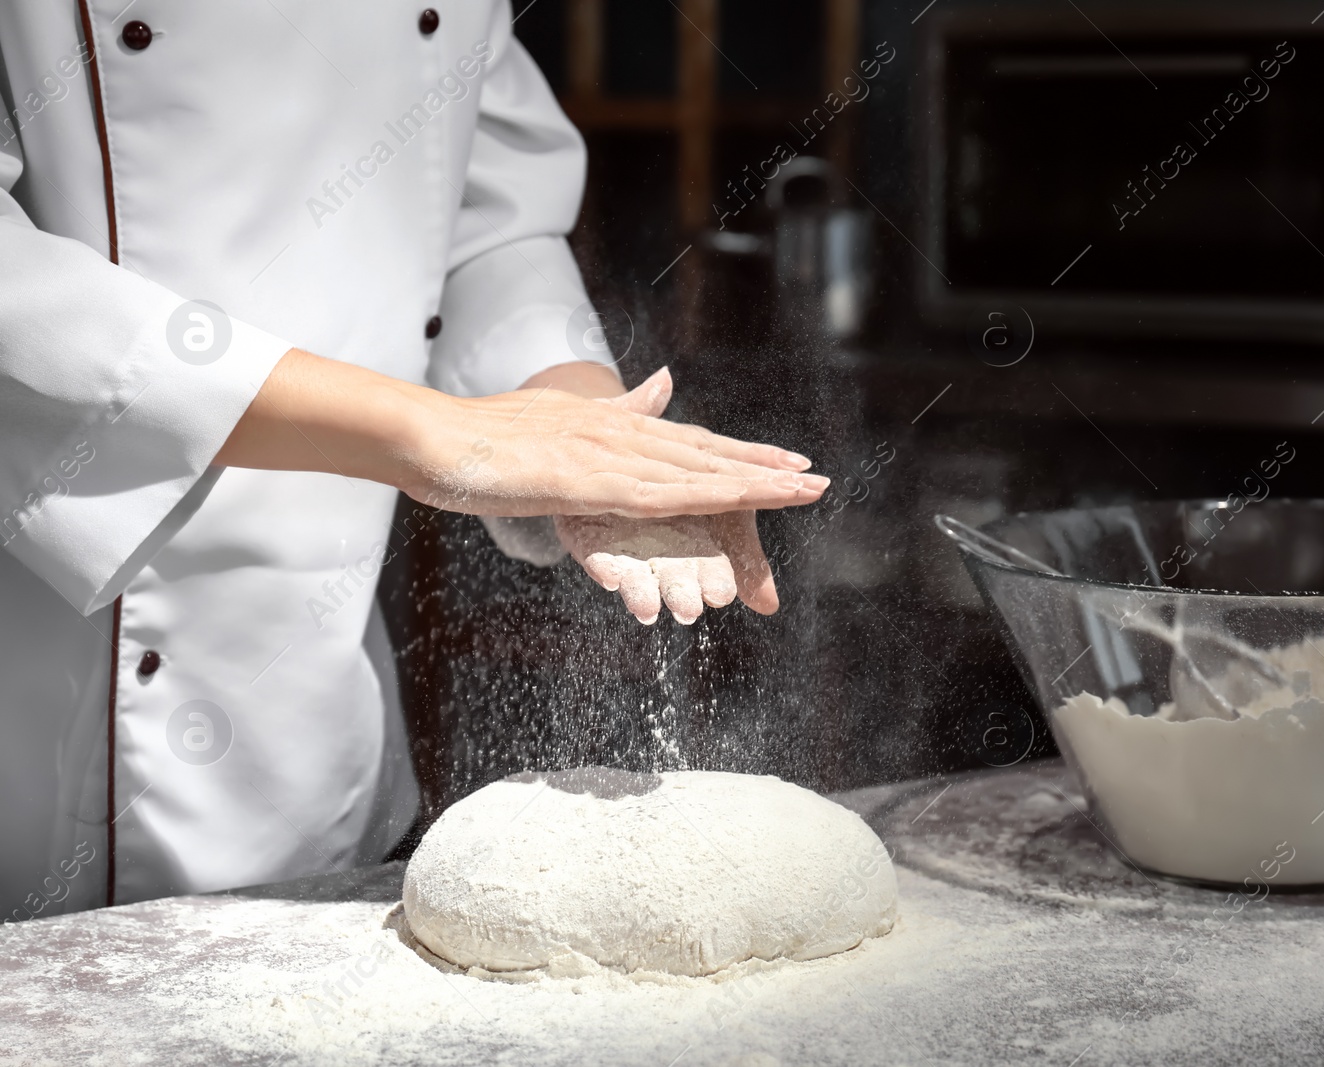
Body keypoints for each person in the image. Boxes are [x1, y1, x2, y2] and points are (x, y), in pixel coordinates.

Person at [0, 2, 826, 921]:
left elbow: (484, 220)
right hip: (30, 757)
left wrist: (583, 422)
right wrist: (432, 435)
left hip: (316, 757)